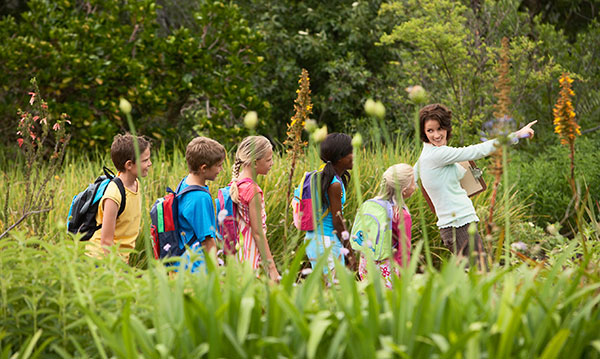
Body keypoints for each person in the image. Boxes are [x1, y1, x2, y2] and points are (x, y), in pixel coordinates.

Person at [414, 103, 536, 267]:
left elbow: (411, 176)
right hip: (459, 226)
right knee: (480, 276)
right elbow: (477, 150)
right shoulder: (437, 154)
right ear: (424, 133)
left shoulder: (428, 155)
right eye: (430, 131)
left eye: (440, 128)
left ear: (447, 128)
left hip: (459, 225)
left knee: (475, 279)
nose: (436, 135)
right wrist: (517, 135)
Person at [86, 133, 152, 263]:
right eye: (145, 160)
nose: (150, 163)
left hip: (119, 259)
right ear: (129, 165)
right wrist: (119, 270)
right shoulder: (113, 195)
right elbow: (106, 242)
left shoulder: (135, 184)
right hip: (101, 260)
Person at [229, 135, 280, 281]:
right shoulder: (253, 191)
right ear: (255, 163)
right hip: (250, 255)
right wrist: (272, 269)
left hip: (237, 253)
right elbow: (258, 234)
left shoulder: (236, 185)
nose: (272, 163)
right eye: (269, 160)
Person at [305, 133, 357, 274]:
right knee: (334, 290)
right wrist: (350, 254)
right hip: (326, 241)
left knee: (325, 290)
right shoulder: (334, 184)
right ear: (340, 158)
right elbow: (337, 222)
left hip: (313, 239)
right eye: (351, 152)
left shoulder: (321, 176)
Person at [357, 163, 415, 288]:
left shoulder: (372, 206)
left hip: (366, 264)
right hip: (388, 270)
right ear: (404, 191)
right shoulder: (401, 215)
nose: (415, 187)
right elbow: (404, 252)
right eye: (413, 183)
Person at [177, 136, 226, 273]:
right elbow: (208, 241)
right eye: (218, 165)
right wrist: (217, 276)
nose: (220, 169)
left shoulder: (185, 183)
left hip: (182, 261)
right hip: (197, 267)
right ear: (204, 168)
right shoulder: (200, 197)